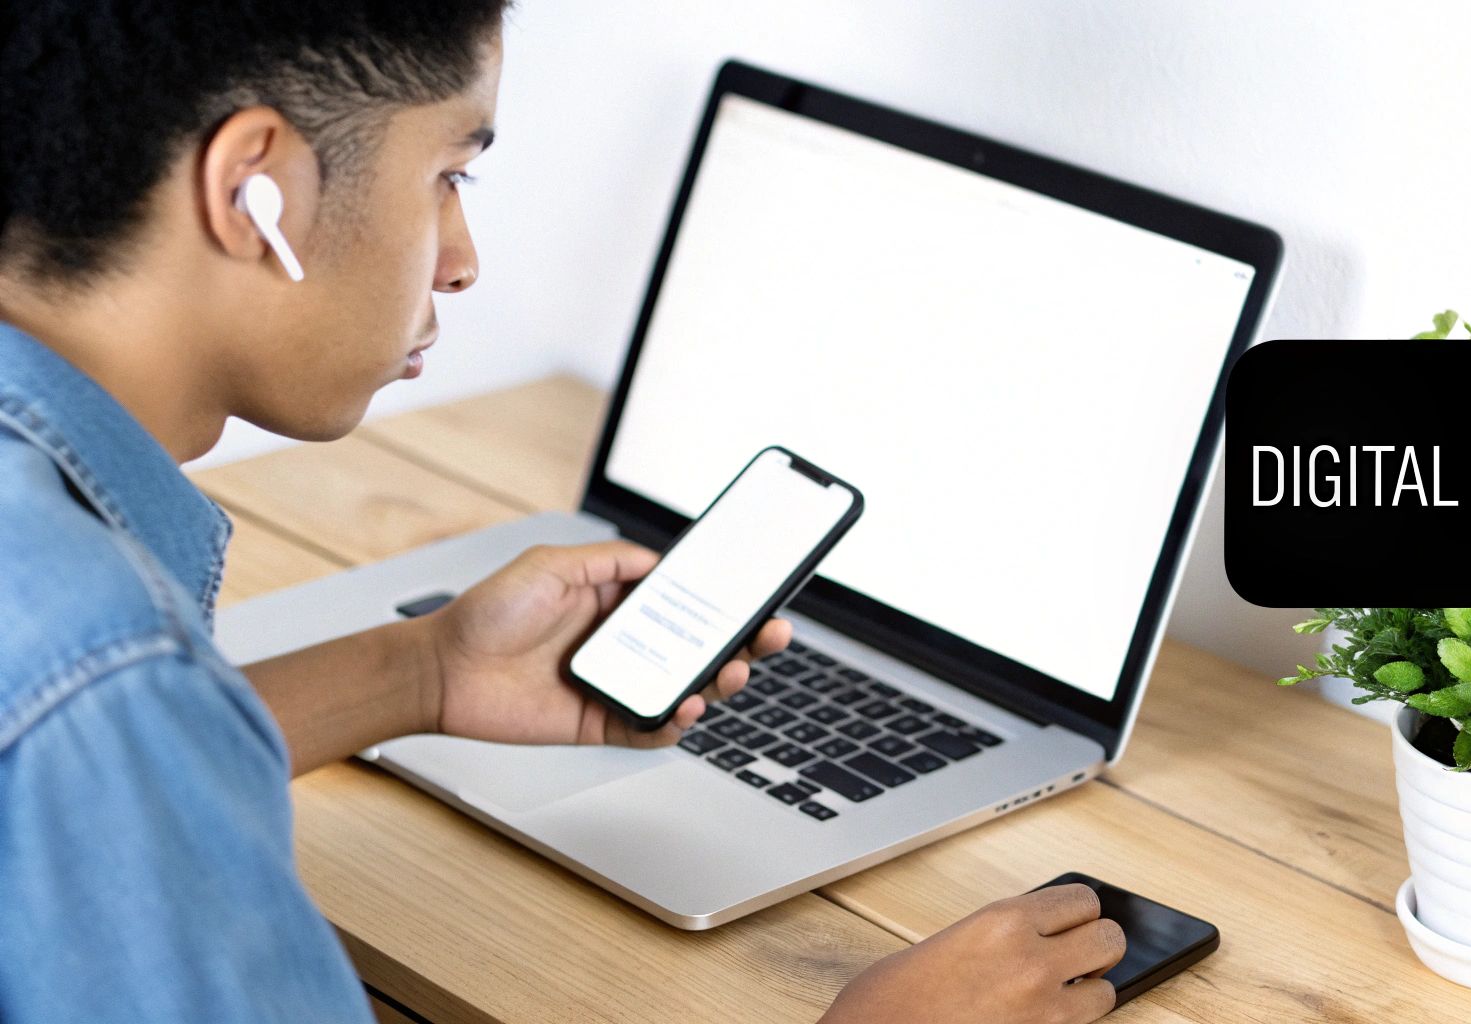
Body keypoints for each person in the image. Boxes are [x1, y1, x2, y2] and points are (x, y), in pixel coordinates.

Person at [0, 4, 1125, 1022]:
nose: (461, 260)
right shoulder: (106, 683)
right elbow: (90, 728)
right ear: (259, 188)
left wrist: (423, 671)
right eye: (451, 175)